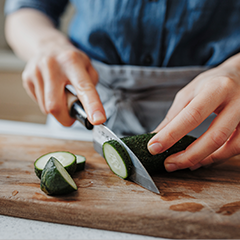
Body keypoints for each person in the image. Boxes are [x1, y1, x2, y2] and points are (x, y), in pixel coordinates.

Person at [4, 0, 240, 172]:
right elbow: (26, 9)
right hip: (86, 99)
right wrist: (47, 45)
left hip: (216, 115)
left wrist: (236, 70)